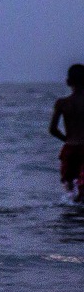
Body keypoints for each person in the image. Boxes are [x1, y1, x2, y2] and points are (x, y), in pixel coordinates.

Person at [51, 63, 84, 202]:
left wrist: (66, 139)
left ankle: (71, 217)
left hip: (69, 148)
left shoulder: (62, 103)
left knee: (70, 189)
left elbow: (52, 129)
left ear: (68, 82)